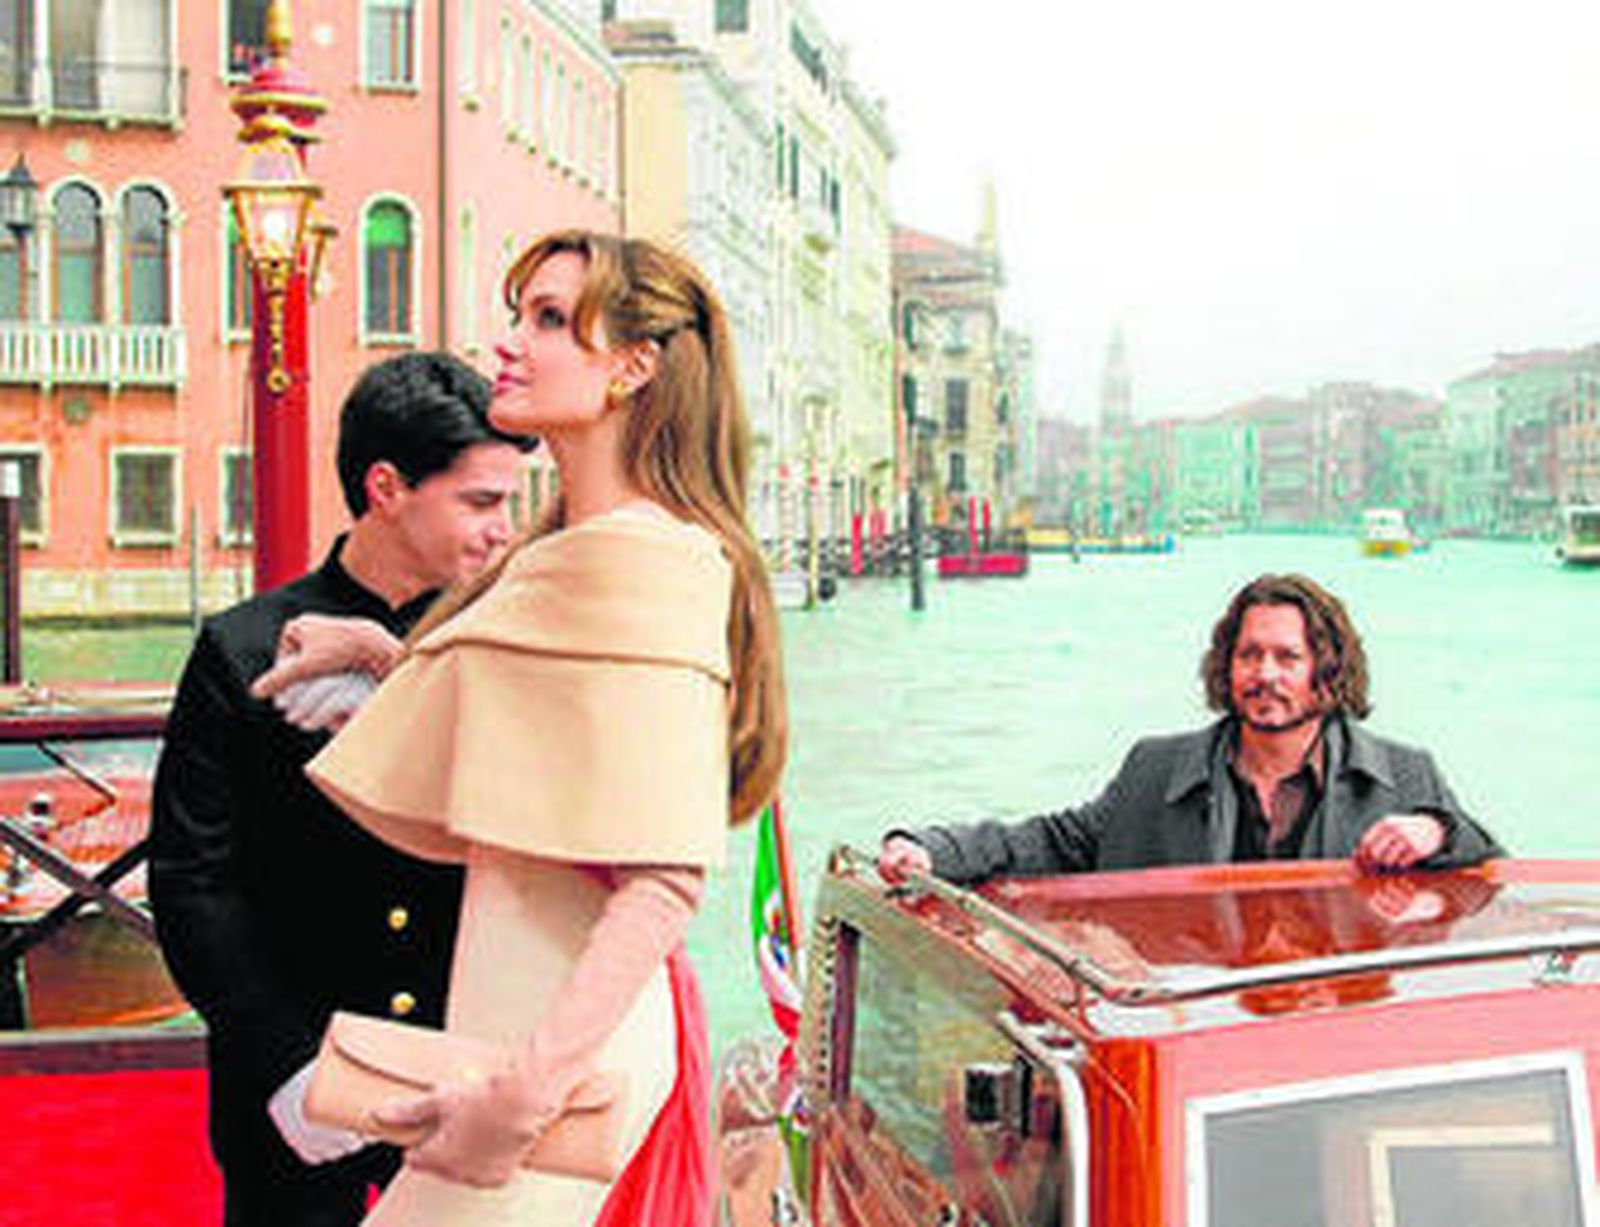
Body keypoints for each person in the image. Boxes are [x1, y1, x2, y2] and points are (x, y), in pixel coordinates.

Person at [252, 230, 787, 1226]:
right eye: (520, 313)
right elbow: (549, 715)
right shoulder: (575, 550)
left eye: (547, 319)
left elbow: (664, 877)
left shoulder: (649, 560)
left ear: (634, 365)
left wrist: (527, 1088)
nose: (507, 342)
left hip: (559, 1053)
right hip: (520, 1033)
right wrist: (381, 653)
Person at [149, 351, 534, 1227]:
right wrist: (286, 1062)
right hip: (288, 1075)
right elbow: (193, 879)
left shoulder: (503, 648)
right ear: (387, 486)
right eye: (481, 501)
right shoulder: (242, 649)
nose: (503, 529)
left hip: (459, 1070)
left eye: (511, 500)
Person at [880, 573, 1503, 886]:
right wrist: (932, 849)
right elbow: (1050, 841)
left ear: (1326, 670)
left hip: (1331, 1036)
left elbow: (1488, 864)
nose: (1265, 675)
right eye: (1249, 655)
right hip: (1198, 1038)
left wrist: (1434, 830)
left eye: (1287, 658)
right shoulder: (1154, 770)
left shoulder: (1404, 775)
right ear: (1225, 665)